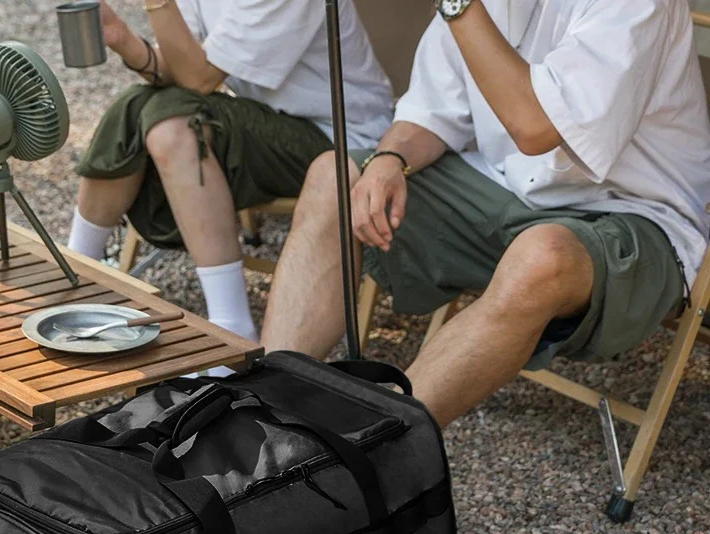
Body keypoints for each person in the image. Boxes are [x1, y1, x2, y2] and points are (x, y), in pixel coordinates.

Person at [262, 0, 710, 429]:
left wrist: (459, 4)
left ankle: (379, 445)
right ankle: (260, 409)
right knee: (335, 176)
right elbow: (433, 110)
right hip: (506, 187)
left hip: (634, 213)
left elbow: (537, 128)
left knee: (541, 255)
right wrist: (389, 159)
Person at [68, 0, 393, 348]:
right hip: (269, 121)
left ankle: (232, 329)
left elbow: (199, 79)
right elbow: (179, 71)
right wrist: (122, 38)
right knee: (139, 104)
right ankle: (75, 275)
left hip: (342, 140)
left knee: (174, 124)